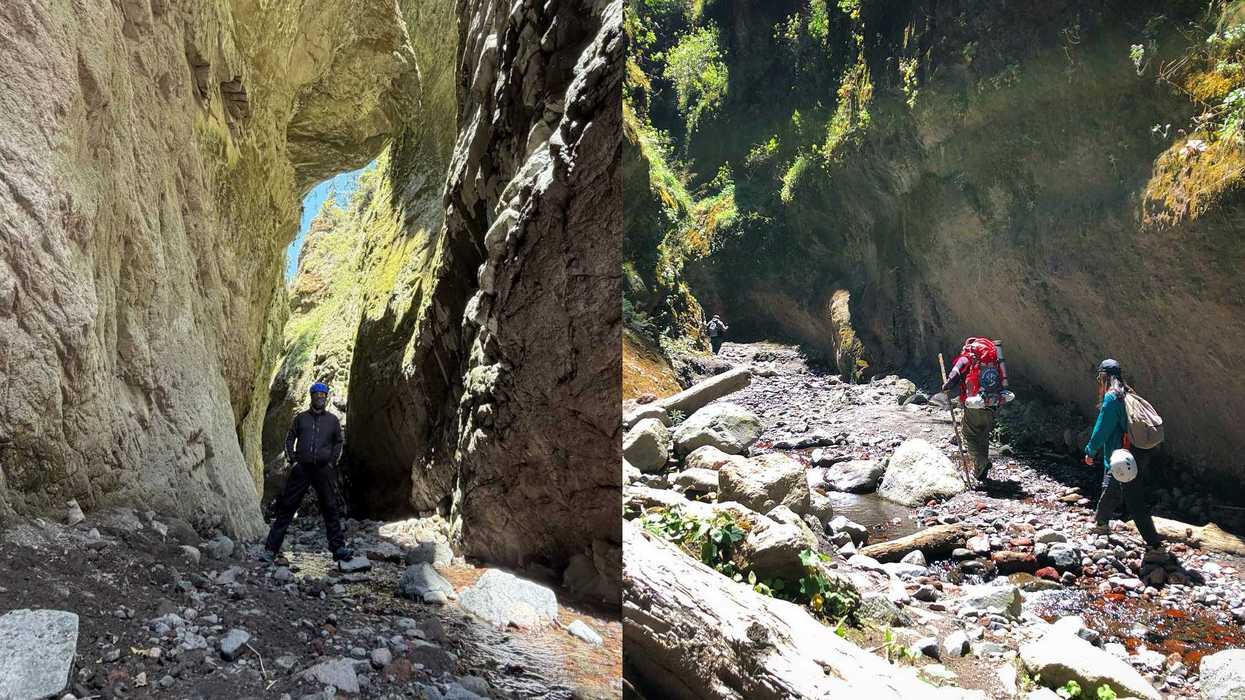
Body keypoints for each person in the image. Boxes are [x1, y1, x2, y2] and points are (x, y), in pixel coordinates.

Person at [260, 382, 352, 563]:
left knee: (330, 508)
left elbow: (338, 442)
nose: (320, 398)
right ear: (312, 396)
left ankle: (338, 548)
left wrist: (332, 462)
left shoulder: (332, 421)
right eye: (317, 395)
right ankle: (271, 550)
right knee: (287, 507)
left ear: (326, 398)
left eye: (323, 395)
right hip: (302, 468)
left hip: (323, 470)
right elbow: (290, 438)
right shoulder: (301, 418)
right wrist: (293, 459)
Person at [1083, 359, 1162, 548]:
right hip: (1135, 453)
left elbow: (1102, 429)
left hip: (1122, 457)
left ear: (1103, 377)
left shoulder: (1112, 398)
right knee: (1110, 488)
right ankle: (1101, 524)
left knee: (1134, 502)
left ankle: (1155, 547)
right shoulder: (1128, 393)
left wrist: (1090, 450)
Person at [940, 337, 1004, 482]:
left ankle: (981, 463)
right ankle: (980, 470)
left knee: (969, 433)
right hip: (993, 401)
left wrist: (947, 385)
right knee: (983, 434)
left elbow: (956, 372)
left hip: (976, 403)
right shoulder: (992, 360)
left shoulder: (969, 356)